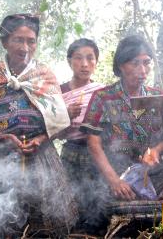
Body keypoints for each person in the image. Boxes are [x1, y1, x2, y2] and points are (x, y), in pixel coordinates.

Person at [0, 13, 77, 238]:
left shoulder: (44, 76)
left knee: (49, 225)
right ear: (5, 41)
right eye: (18, 40)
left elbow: (60, 123)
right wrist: (1, 137)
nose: (25, 47)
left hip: (42, 160)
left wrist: (41, 139)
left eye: (31, 41)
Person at [80, 35, 163, 230]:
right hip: (113, 175)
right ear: (121, 65)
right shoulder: (104, 98)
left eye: (147, 63)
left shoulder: (158, 96)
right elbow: (93, 144)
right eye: (135, 63)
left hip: (153, 175)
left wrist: (155, 150)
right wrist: (114, 181)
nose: (142, 70)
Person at [59, 38, 104, 230]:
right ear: (69, 61)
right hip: (70, 152)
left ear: (96, 62)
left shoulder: (102, 92)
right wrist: (65, 115)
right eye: (78, 58)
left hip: (98, 153)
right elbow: (51, 131)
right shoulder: (58, 92)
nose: (85, 64)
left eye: (90, 58)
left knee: (97, 200)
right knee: (71, 199)